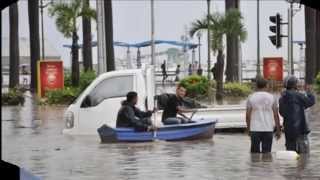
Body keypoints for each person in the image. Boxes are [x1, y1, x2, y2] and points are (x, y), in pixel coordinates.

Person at [279, 75, 315, 153]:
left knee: (290, 152)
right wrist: (310, 92)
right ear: (294, 84)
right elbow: (310, 102)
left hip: (288, 129)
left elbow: (282, 112)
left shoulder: (282, 98)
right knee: (304, 154)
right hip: (301, 129)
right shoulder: (299, 95)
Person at [246, 77, 281, 153]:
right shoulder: (272, 97)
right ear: (266, 85)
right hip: (268, 129)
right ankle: (265, 165)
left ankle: (256, 165)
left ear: (256, 86)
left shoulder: (251, 97)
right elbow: (276, 115)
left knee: (254, 155)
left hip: (255, 129)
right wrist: (278, 130)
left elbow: (248, 115)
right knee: (267, 155)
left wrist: (248, 129)